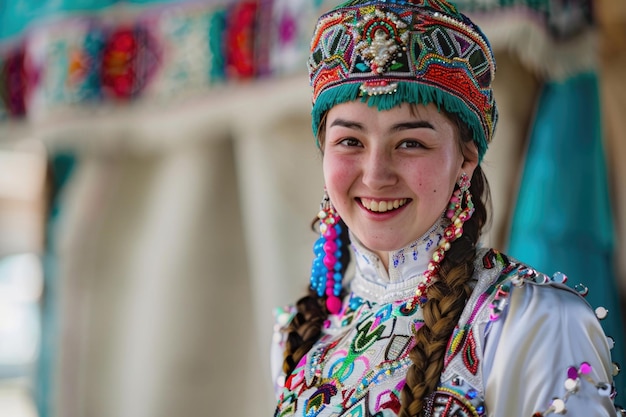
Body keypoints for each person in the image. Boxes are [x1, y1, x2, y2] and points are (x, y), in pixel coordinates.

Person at [271, 0, 622, 416]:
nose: (375, 174)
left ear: (466, 159)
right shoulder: (299, 334)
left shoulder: (534, 321)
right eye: (350, 141)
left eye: (411, 143)